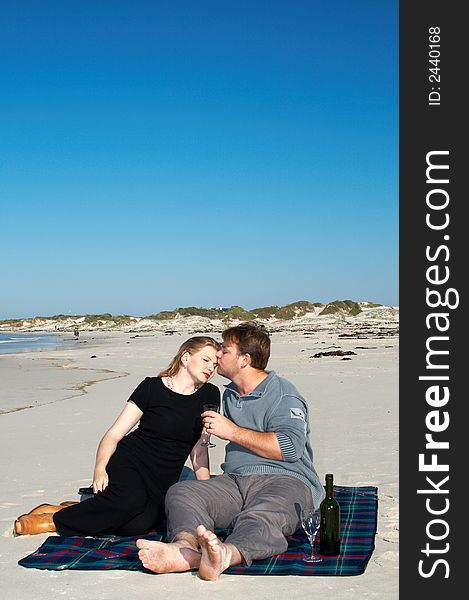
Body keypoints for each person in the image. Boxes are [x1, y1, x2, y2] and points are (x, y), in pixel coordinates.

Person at [136, 322, 325, 580]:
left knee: (262, 515)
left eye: (224, 349)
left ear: (244, 360)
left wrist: (232, 432)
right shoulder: (230, 395)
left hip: (286, 479)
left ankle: (225, 555)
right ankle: (185, 549)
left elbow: (290, 448)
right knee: (183, 491)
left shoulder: (283, 395)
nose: (218, 354)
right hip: (235, 480)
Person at [14, 336, 220, 536]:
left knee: (138, 525)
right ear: (185, 358)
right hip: (131, 461)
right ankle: (53, 522)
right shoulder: (152, 387)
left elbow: (199, 448)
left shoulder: (210, 395)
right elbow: (114, 434)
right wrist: (100, 469)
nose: (211, 367)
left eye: (215, 363)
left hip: (163, 476)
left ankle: (71, 509)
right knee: (130, 501)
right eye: (206, 360)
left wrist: (204, 490)